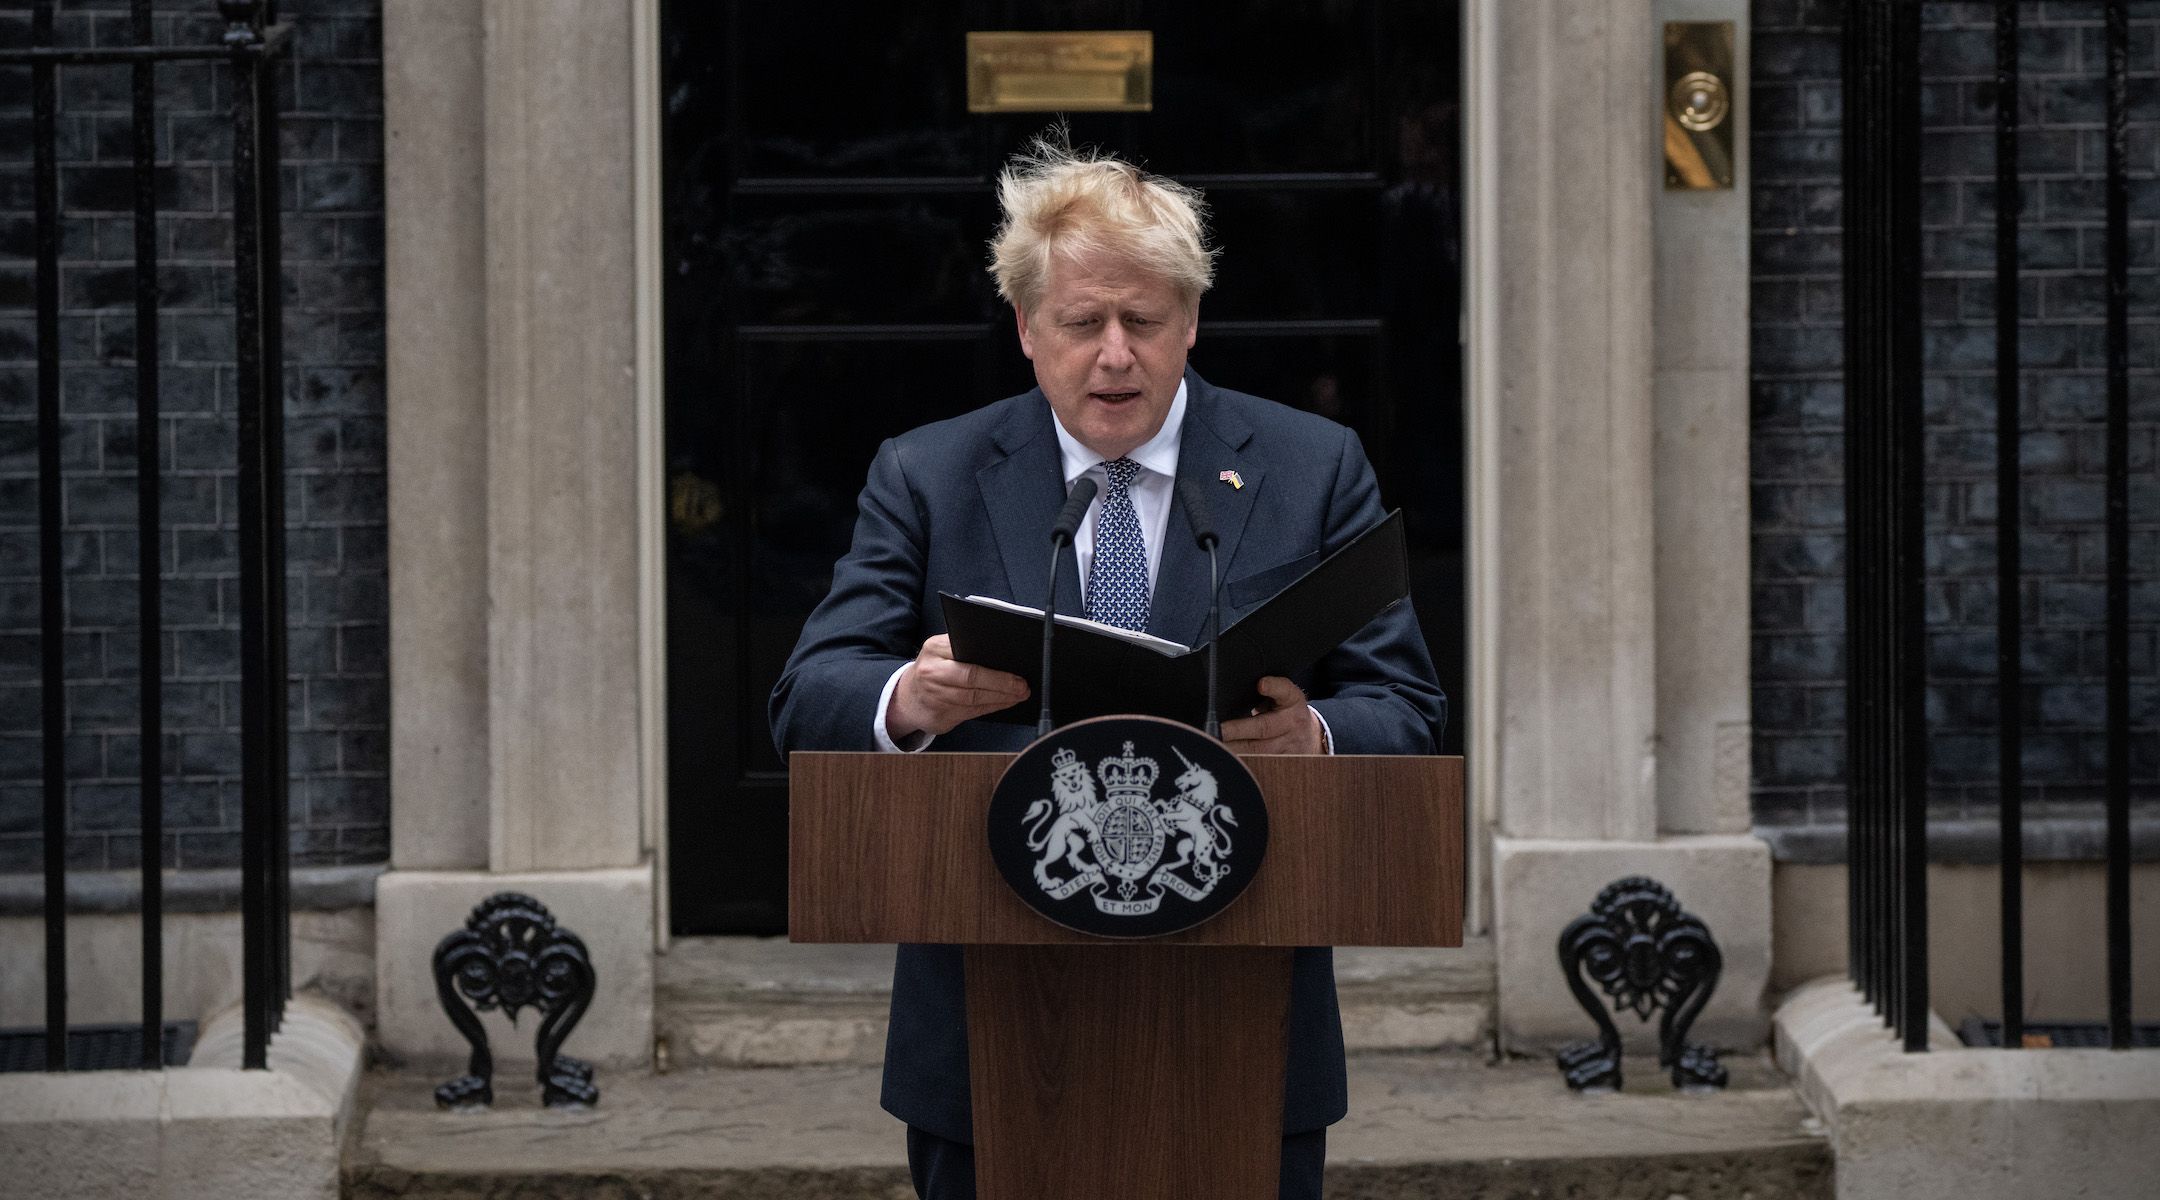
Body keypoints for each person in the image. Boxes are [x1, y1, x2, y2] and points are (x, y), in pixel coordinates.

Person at [770, 131, 1447, 1200]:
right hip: (992, 1036)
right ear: (1029, 329)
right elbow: (810, 695)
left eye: (1144, 321)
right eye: (1084, 323)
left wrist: (1314, 738)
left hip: (1243, 1025)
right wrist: (911, 698)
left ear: (1191, 324)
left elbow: (1407, 709)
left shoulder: (1314, 469)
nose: (1116, 355)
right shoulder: (929, 473)